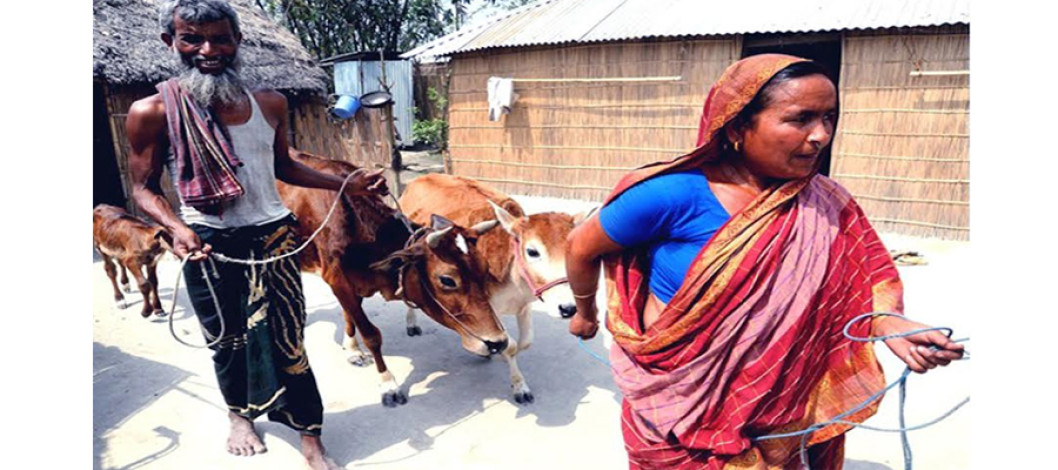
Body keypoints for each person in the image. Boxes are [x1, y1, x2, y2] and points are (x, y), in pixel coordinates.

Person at [564, 54, 965, 469]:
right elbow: (579, 247)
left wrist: (887, 323)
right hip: (677, 404)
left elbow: (863, 280)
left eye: (829, 117)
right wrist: (585, 312)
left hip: (778, 410)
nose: (821, 135)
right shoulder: (671, 194)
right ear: (738, 126)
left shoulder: (827, 203)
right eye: (801, 118)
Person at [125, 1, 387, 469]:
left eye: (221, 38)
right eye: (193, 39)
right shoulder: (151, 111)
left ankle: (309, 433)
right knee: (226, 341)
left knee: (289, 338)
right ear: (172, 43)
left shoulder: (269, 103)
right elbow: (141, 189)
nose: (209, 49)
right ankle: (239, 415)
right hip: (207, 244)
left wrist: (348, 183)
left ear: (237, 41)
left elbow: (284, 167)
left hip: (274, 237)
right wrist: (177, 227)